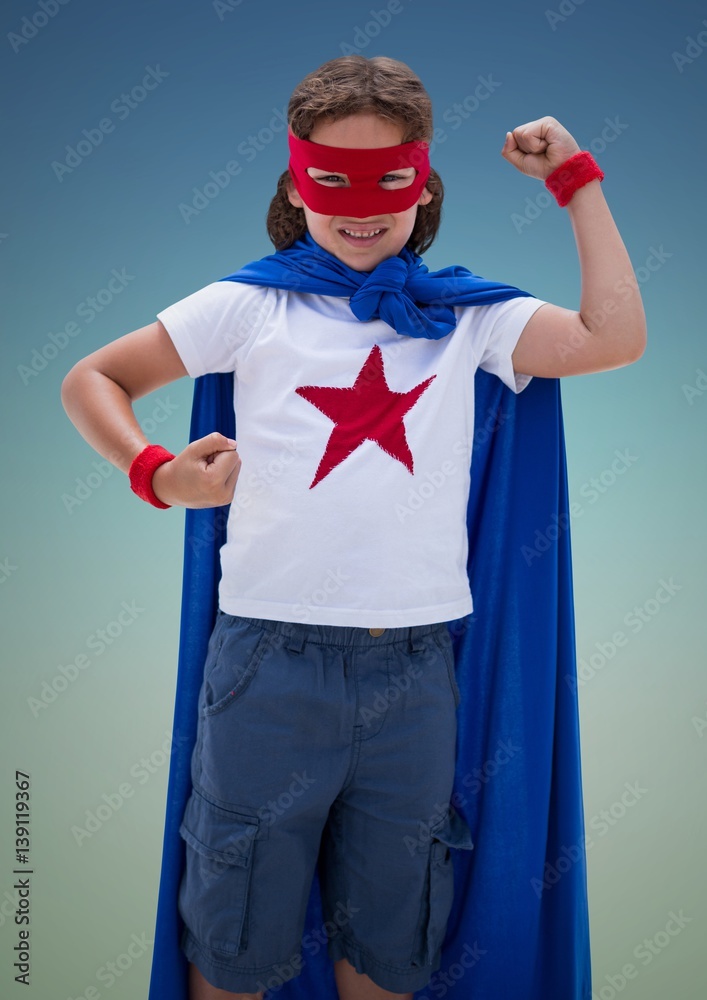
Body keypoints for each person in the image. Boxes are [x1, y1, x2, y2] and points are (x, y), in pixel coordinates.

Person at [61, 55, 646, 1000]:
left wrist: (576, 183)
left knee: (391, 940)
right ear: (296, 183)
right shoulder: (249, 304)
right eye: (331, 179)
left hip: (414, 674)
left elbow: (611, 339)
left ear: (425, 184)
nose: (359, 206)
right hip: (265, 666)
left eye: (388, 181)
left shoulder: (465, 320)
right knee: (234, 931)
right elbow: (91, 377)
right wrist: (155, 472)